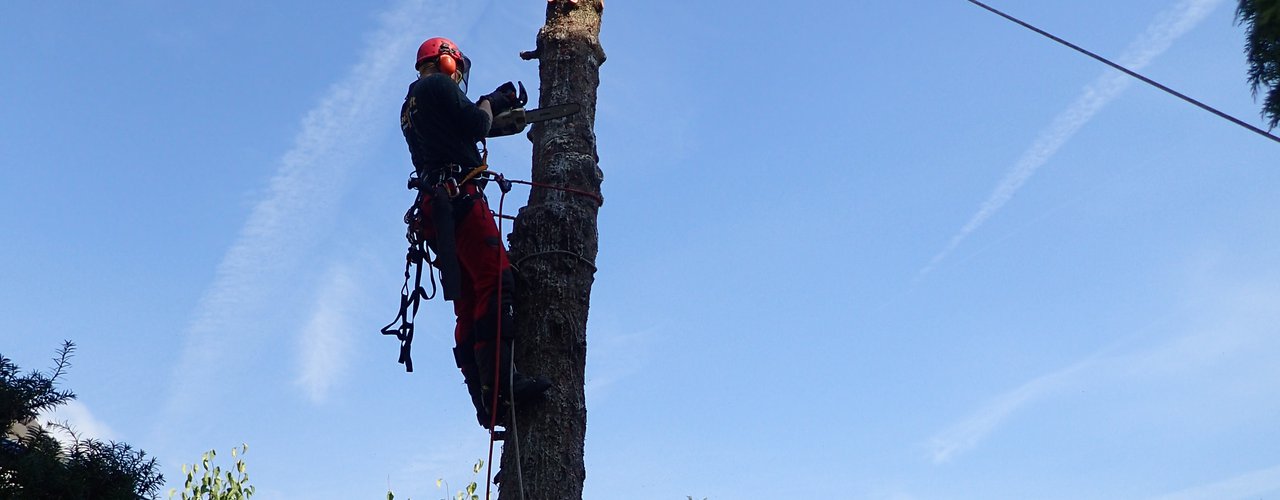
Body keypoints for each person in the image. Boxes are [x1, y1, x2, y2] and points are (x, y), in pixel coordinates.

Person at [399, 36, 550, 429]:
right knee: (496, 282)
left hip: (439, 209)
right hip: (458, 200)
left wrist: (497, 115)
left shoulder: (411, 104)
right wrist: (492, 101)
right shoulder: (435, 87)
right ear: (447, 62)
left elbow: (464, 133)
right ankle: (503, 384)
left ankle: (486, 401)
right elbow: (474, 123)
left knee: (467, 304)